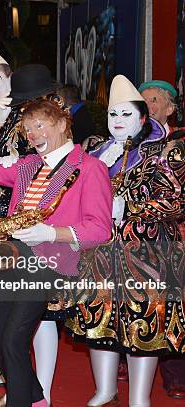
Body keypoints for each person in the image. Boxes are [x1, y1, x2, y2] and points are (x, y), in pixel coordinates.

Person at [0, 98, 113, 407]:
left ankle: (23, 401)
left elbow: (99, 229)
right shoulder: (27, 165)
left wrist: (51, 233)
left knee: (13, 340)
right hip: (12, 257)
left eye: (40, 125)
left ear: (63, 125)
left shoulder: (90, 168)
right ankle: (37, 397)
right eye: (27, 129)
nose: (33, 134)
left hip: (49, 261)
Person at [68, 75, 185, 407]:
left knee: (142, 320)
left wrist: (130, 205)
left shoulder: (167, 150)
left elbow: (176, 201)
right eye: (112, 115)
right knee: (99, 319)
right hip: (100, 253)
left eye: (125, 115)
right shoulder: (95, 150)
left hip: (147, 252)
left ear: (143, 118)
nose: (117, 122)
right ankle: (105, 390)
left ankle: (138, 398)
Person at [138, 79, 185, 400]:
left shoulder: (179, 143)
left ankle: (175, 372)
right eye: (142, 101)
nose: (148, 106)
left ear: (170, 108)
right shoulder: (127, 143)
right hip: (133, 239)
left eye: (154, 100)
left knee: (171, 303)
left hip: (173, 235)